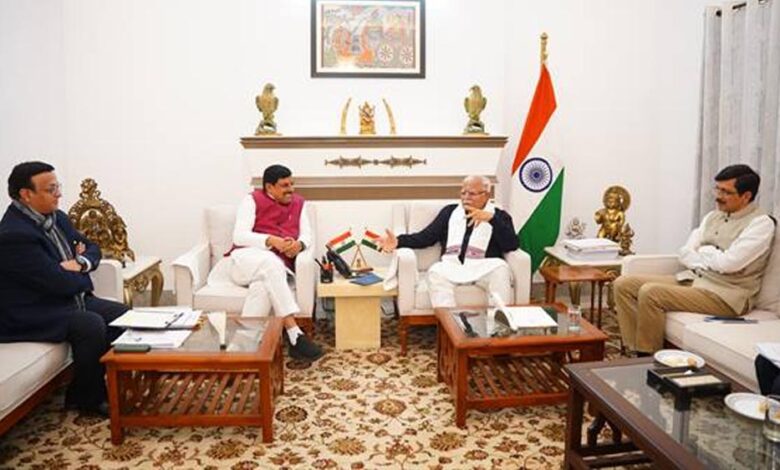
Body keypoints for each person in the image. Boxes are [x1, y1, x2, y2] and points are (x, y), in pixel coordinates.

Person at [0, 161, 129, 416]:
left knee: (123, 315)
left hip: (62, 300)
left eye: (57, 186)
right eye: (51, 189)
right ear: (26, 194)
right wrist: (76, 273)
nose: (58, 194)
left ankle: (85, 388)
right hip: (28, 312)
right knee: (89, 324)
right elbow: (57, 282)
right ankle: (90, 399)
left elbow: (92, 248)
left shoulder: (57, 218)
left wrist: (79, 263)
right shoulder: (13, 236)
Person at [615, 164, 776, 355]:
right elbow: (685, 253)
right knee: (623, 284)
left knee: (651, 293)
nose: (718, 196)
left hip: (727, 295)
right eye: (717, 189)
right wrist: (712, 257)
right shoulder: (712, 216)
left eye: (726, 192)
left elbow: (729, 264)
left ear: (746, 196)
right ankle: (633, 351)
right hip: (695, 279)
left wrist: (704, 251)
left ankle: (648, 357)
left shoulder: (761, 224)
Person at [378, 175, 518, 307]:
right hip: (453, 266)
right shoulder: (450, 212)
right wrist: (398, 241)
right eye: (463, 193)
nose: (466, 198)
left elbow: (511, 245)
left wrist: (492, 220)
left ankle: (498, 322)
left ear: (486, 195)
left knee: (501, 269)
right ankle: (450, 321)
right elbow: (426, 237)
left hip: (484, 267)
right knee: (435, 271)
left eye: (471, 194)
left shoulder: (499, 216)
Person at [229, 164, 323, 361]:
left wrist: (299, 245)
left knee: (262, 288)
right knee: (270, 263)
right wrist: (271, 241)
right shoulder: (251, 200)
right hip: (245, 261)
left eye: (292, 184)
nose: (291, 189)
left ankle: (241, 351)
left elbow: (307, 235)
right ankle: (294, 331)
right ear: (269, 187)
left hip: (275, 271)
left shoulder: (300, 203)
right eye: (284, 185)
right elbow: (239, 236)